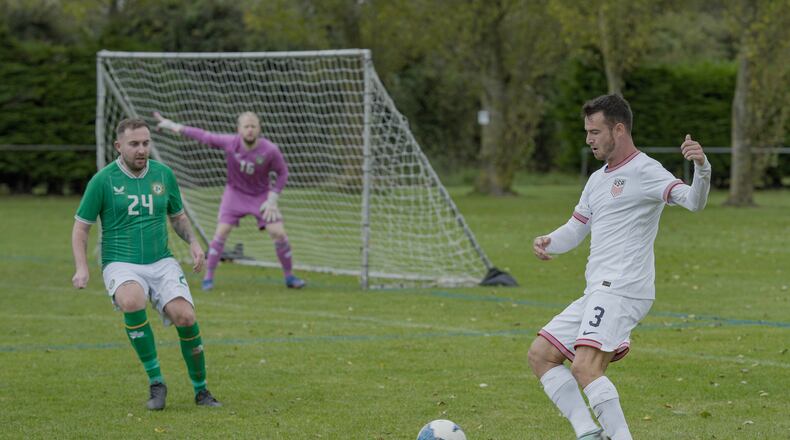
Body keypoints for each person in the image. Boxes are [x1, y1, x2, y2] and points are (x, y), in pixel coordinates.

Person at [528, 94, 711, 440]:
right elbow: (576, 229)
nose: (589, 139)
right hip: (598, 289)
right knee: (541, 355)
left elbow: (693, 202)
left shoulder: (646, 170)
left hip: (624, 288)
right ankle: (589, 433)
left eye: (595, 132)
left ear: (619, 129)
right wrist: (548, 240)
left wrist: (702, 169)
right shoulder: (597, 180)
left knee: (585, 367)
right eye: (587, 132)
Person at [71, 118, 221, 410]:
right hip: (121, 262)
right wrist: (82, 267)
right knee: (131, 300)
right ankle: (156, 383)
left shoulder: (163, 175)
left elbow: (177, 217)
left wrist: (192, 242)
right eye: (134, 144)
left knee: (186, 317)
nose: (142, 150)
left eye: (146, 143)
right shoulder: (103, 180)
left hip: (161, 261)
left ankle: (202, 391)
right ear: (119, 146)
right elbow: (81, 227)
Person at [154, 111, 306, 291]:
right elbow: (204, 136)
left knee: (279, 233)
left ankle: (290, 277)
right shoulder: (230, 143)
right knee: (221, 232)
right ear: (239, 129)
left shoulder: (270, 150)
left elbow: (283, 173)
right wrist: (173, 125)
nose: (250, 130)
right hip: (235, 194)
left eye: (253, 126)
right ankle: (208, 278)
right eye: (246, 126)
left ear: (259, 128)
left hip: (261, 196)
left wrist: (272, 200)